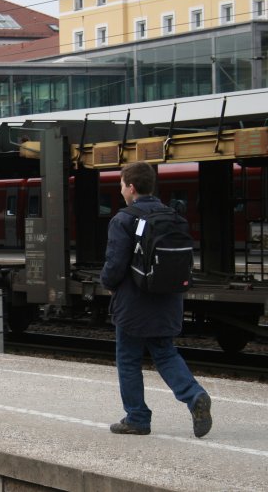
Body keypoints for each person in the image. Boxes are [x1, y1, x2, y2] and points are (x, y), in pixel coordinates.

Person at [101, 161, 212, 437]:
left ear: (132, 187)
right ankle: (194, 395)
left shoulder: (123, 219)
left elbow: (115, 266)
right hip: (168, 300)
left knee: (128, 359)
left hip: (133, 304)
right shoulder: (173, 216)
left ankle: (137, 417)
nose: (121, 191)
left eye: (122, 186)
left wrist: (105, 283)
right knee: (164, 352)